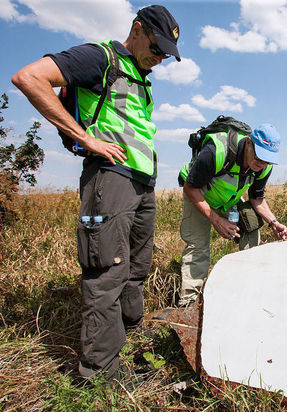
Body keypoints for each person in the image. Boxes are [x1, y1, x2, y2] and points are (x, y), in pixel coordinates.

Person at [12, 5, 181, 379]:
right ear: (138, 29)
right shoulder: (100, 57)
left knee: (135, 268)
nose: (160, 59)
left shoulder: (138, 74)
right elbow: (29, 78)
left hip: (141, 182)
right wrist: (85, 137)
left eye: (166, 55)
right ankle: (101, 372)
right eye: (157, 48)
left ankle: (130, 338)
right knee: (107, 271)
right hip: (110, 178)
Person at [177, 123, 287, 307]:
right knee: (198, 246)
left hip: (227, 200)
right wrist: (216, 220)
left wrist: (274, 222)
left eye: (267, 160)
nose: (260, 164)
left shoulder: (264, 167)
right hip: (199, 194)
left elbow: (257, 199)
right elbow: (190, 188)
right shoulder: (217, 151)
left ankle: (247, 285)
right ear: (248, 143)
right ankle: (188, 302)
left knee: (251, 224)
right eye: (258, 157)